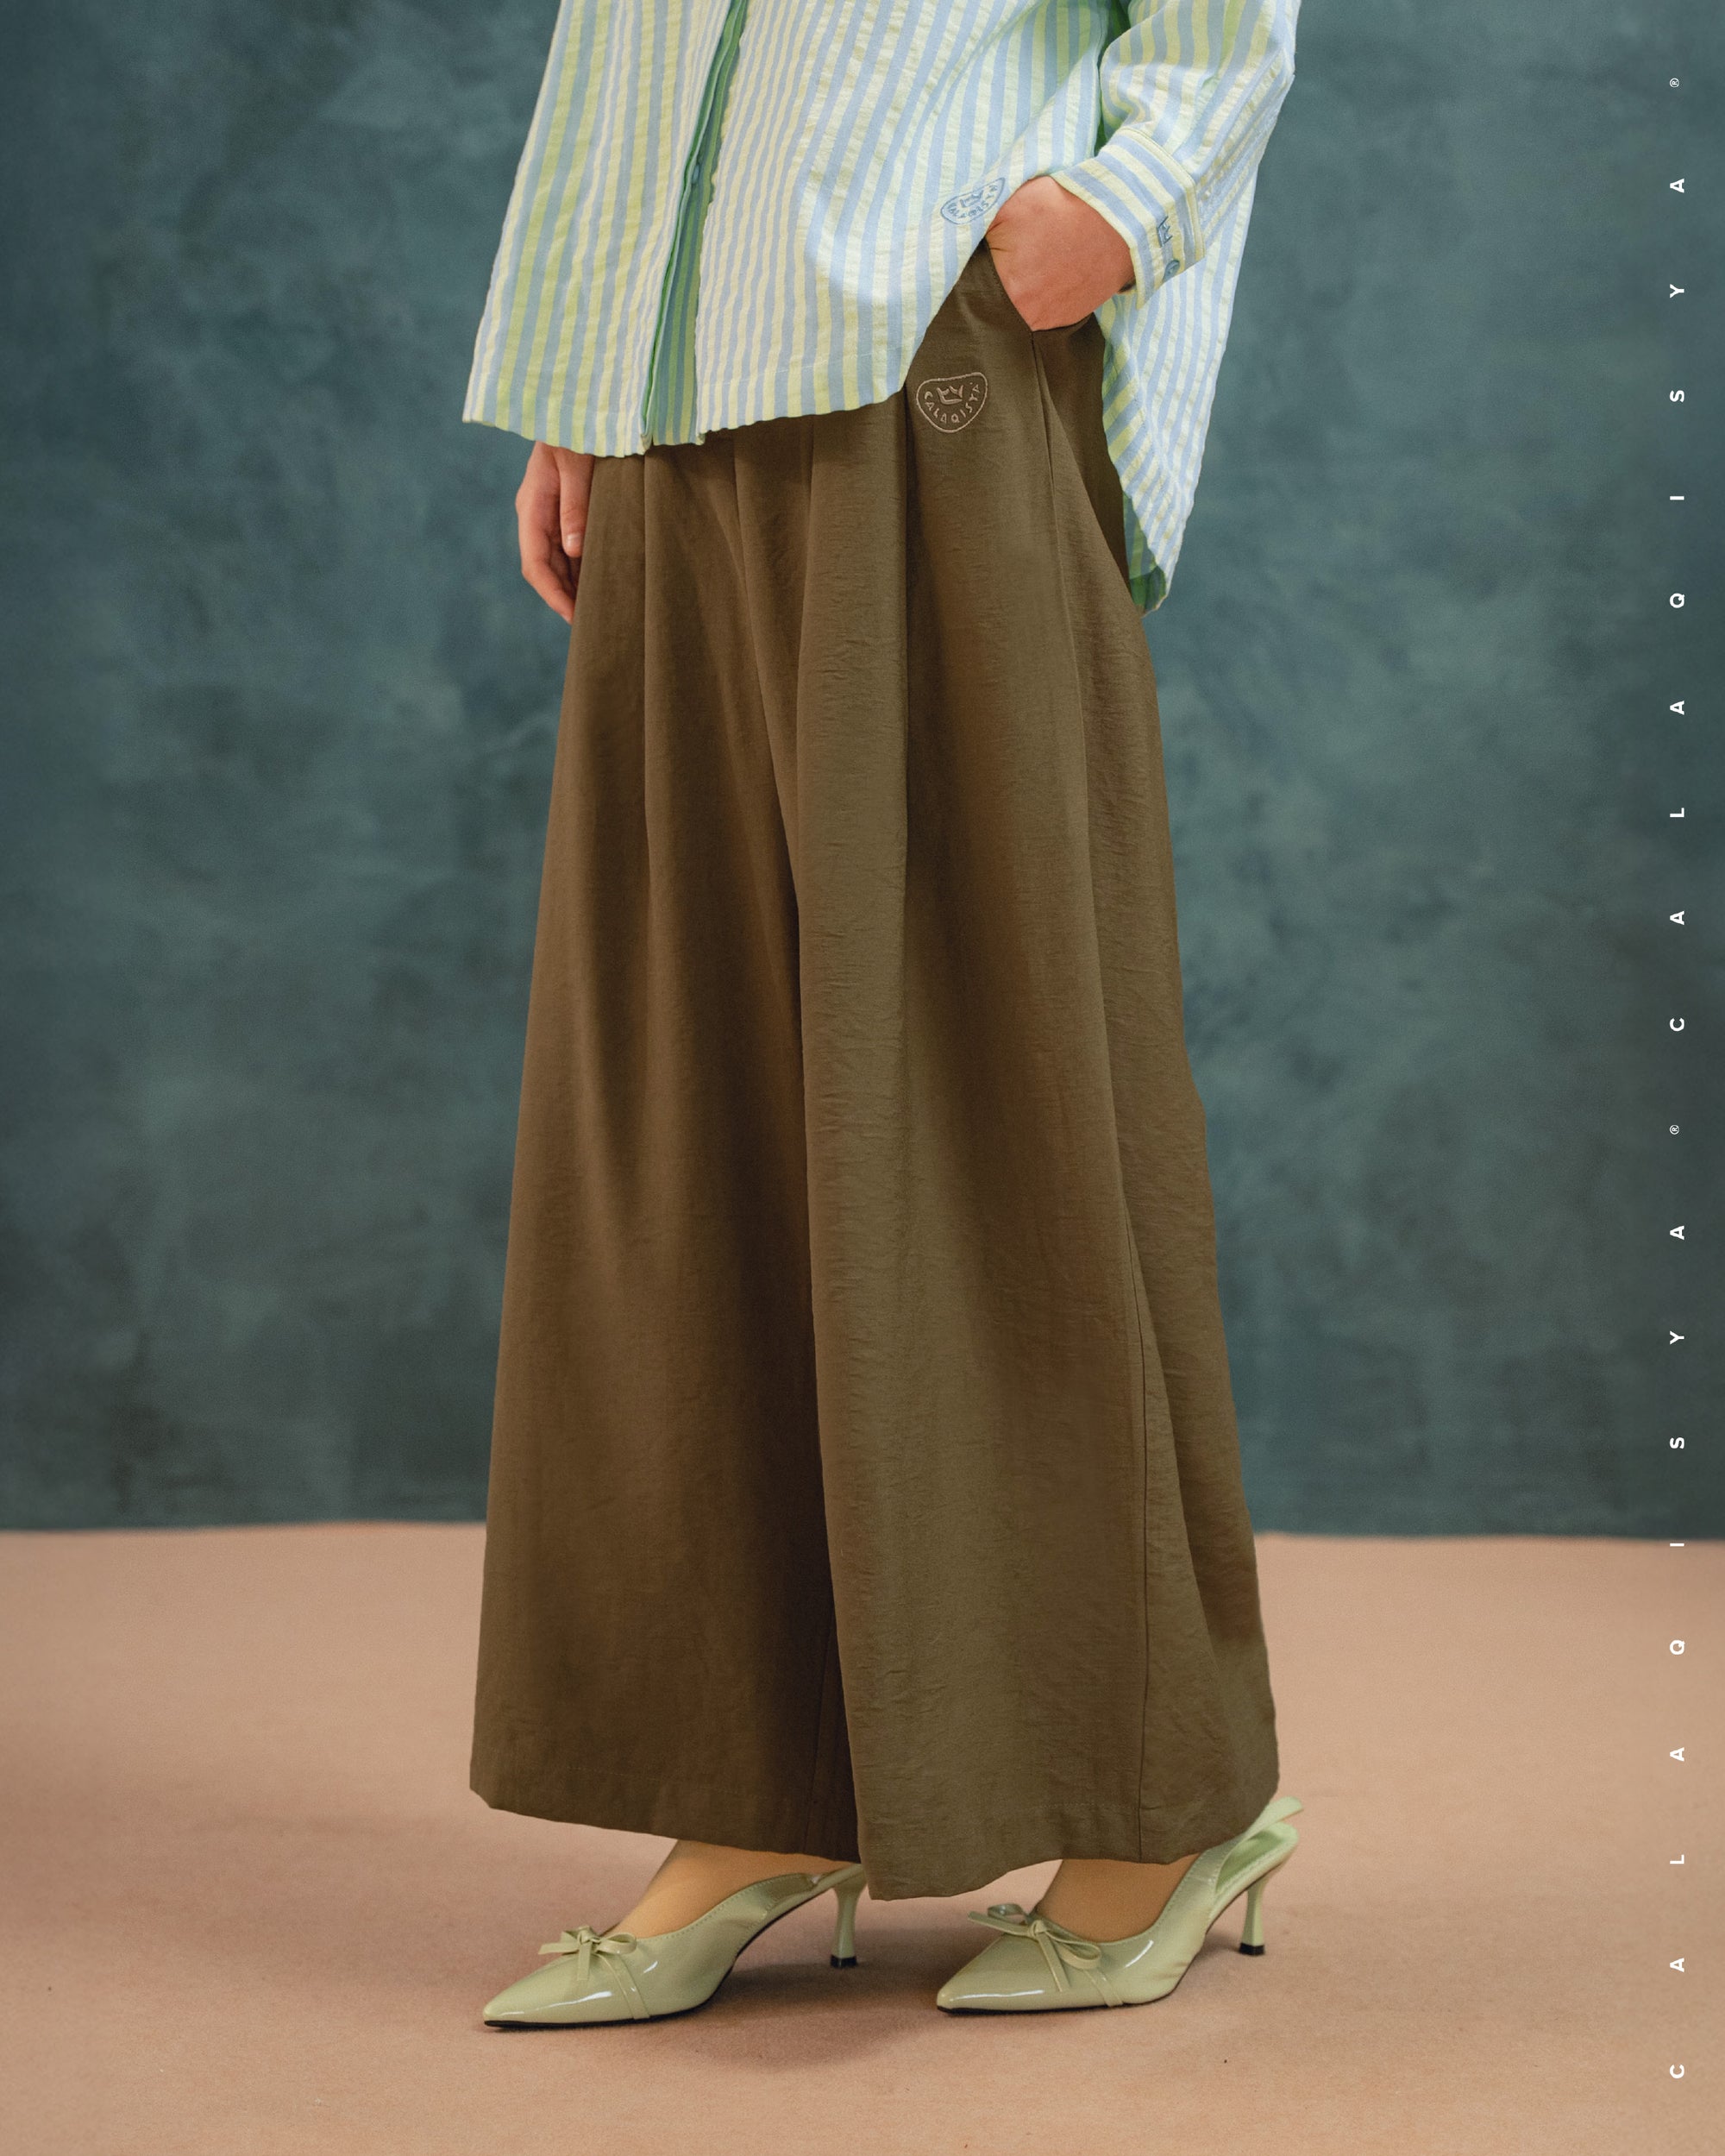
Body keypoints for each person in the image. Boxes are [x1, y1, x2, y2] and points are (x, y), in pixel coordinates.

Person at [462, 0, 1305, 2025]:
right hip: (680, 388)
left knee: (993, 1087)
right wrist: (586, 377)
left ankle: (1150, 1797)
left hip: (930, 360)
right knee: (699, 1099)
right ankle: (754, 1787)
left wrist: (1117, 203)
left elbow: (1221, 27)